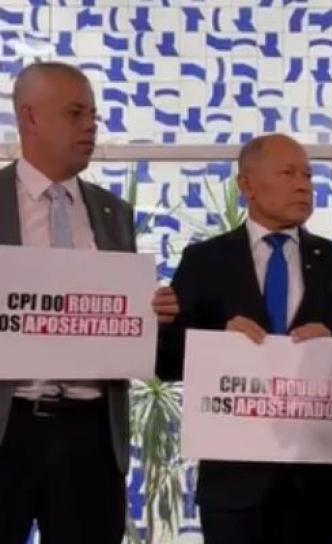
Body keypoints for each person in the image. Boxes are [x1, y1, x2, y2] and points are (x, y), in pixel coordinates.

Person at [156, 133, 332, 544]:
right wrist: (219, 343)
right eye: (287, 173)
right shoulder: (206, 260)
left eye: (308, 175)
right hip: (234, 483)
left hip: (317, 482)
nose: (303, 186)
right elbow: (167, 361)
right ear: (246, 185)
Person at [0, 61, 178, 543]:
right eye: (75, 113)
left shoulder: (113, 212)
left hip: (91, 434)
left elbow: (121, 317)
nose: (90, 126)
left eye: (94, 115)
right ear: (30, 117)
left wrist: (152, 315)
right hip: (9, 423)